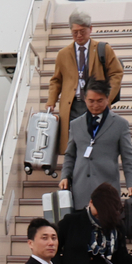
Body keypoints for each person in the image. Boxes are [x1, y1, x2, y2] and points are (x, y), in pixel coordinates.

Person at [47, 9, 124, 155]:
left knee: (96, 144)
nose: (79, 35)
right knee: (73, 146)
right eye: (75, 32)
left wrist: (108, 98)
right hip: (72, 106)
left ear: (90, 29)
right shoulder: (63, 54)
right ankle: (73, 176)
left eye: (82, 31)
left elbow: (116, 73)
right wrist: (51, 101)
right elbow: (56, 80)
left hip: (95, 104)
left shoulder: (103, 49)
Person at [57, 80, 132, 209]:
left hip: (107, 189)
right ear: (85, 99)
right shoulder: (75, 124)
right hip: (80, 190)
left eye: (100, 100)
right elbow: (70, 155)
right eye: (91, 101)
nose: (95, 105)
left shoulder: (120, 124)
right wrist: (65, 176)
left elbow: (128, 157)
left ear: (107, 99)